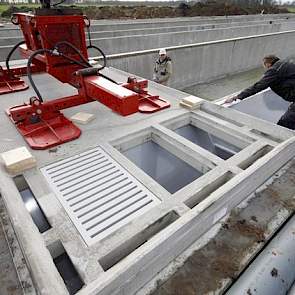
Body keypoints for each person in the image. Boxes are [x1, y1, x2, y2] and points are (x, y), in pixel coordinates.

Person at [225, 55, 295, 130]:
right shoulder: (286, 64)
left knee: (285, 123)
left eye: (264, 65)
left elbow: (258, 86)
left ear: (267, 64)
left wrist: (237, 97)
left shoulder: (274, 70)